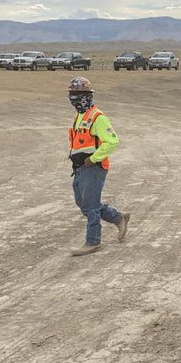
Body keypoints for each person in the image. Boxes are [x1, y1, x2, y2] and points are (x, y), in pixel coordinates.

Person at [67, 77, 130, 255]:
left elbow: (112, 141)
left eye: (78, 95)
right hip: (80, 168)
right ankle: (119, 217)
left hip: (93, 167)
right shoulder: (79, 116)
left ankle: (93, 242)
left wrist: (93, 159)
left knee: (91, 205)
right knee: (83, 202)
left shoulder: (97, 118)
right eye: (72, 94)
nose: (73, 98)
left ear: (88, 96)